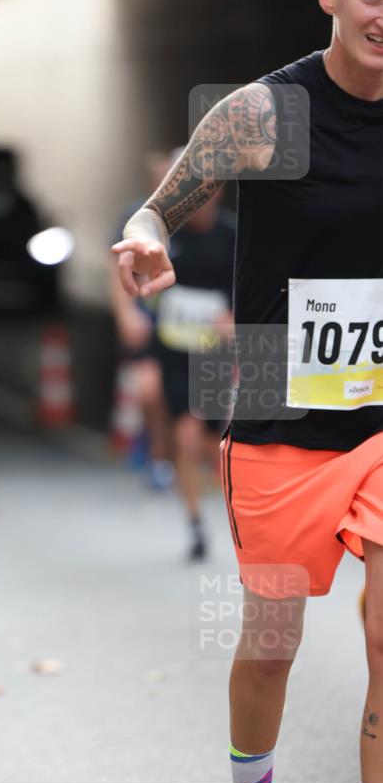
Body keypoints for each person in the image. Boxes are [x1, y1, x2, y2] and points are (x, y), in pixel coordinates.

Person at [113, 0, 383, 783]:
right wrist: (146, 234)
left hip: (382, 417)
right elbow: (162, 203)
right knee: (271, 646)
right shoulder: (267, 113)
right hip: (277, 412)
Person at [151, 156, 235, 560]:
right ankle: (196, 523)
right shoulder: (166, 234)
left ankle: (237, 518)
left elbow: (259, 287)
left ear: (218, 191)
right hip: (176, 351)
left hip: (217, 354)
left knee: (212, 445)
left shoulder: (234, 235)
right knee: (185, 437)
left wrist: (234, 318)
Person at [109, 152, 175, 490]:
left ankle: (190, 457)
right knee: (150, 390)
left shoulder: (209, 224)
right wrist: (126, 313)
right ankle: (158, 457)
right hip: (150, 321)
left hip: (190, 330)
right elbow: (115, 267)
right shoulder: (137, 216)